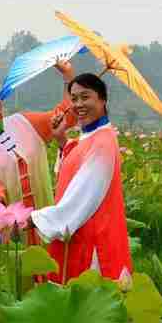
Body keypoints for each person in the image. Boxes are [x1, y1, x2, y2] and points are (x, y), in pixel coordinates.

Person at [0, 62, 77, 244]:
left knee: (54, 267)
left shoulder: (24, 122)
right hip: (15, 233)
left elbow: (67, 116)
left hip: (48, 221)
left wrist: (68, 77)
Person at [30, 73, 133, 283]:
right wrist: (61, 139)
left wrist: (32, 219)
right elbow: (73, 168)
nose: (78, 104)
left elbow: (79, 198)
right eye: (74, 98)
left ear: (103, 100)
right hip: (79, 236)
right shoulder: (90, 136)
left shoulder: (103, 143)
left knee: (90, 307)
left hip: (94, 243)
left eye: (85, 97)